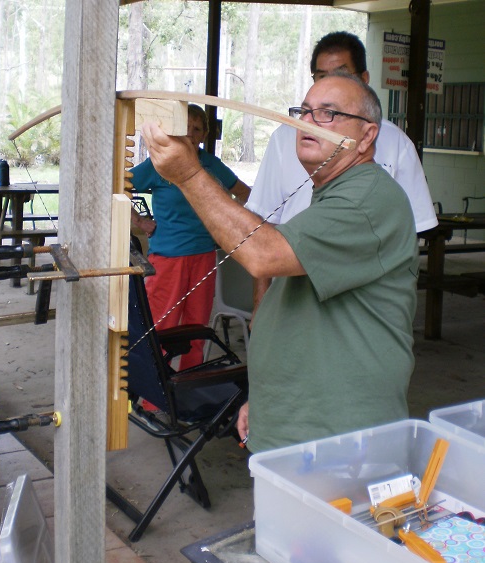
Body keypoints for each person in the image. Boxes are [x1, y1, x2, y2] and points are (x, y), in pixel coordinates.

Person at [141, 72, 419, 453]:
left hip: (340, 431)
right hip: (297, 417)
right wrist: (269, 403)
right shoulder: (332, 194)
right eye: (303, 111)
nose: (306, 121)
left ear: (367, 136)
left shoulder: (366, 199)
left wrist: (189, 173)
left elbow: (263, 255)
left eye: (328, 113)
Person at [245, 31, 437, 315]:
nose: (329, 85)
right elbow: (265, 221)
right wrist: (261, 300)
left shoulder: (396, 144)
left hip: (358, 304)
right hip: (289, 289)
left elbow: (410, 235)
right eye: (320, 77)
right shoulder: (287, 138)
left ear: (364, 79)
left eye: (341, 75)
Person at [130, 104, 251, 371]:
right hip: (167, 259)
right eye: (185, 126)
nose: (190, 133)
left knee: (196, 328)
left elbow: (246, 193)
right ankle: (155, 395)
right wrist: (139, 222)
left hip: (204, 256)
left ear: (204, 134)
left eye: (197, 128)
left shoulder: (210, 164)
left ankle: (189, 384)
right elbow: (116, 185)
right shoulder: (160, 163)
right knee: (162, 325)